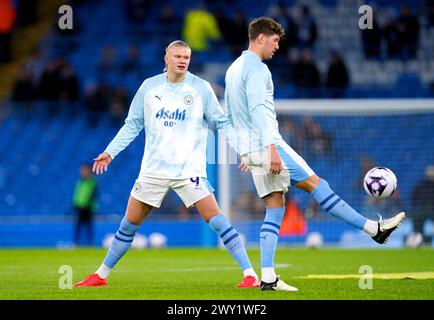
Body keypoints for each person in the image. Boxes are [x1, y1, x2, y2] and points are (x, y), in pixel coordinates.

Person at [224, 17, 406, 292]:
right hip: (268, 144)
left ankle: (269, 278)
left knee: (275, 206)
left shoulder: (233, 69)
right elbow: (258, 112)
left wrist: (244, 152)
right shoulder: (258, 70)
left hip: (251, 148)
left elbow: (231, 115)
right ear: (260, 38)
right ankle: (373, 230)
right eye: (274, 41)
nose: (277, 47)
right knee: (318, 185)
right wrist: (270, 149)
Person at [74, 40, 259, 288]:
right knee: (128, 224)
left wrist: (242, 151)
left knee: (216, 218)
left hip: (188, 170)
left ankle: (250, 274)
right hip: (153, 170)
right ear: (166, 58)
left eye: (187, 57)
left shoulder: (201, 88)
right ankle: (100, 275)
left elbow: (222, 123)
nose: (183, 60)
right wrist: (110, 152)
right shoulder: (149, 88)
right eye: (178, 56)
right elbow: (132, 125)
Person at [72, 163, 97, 246]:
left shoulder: (92, 182)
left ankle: (89, 243)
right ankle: (76, 242)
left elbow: (92, 195)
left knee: (88, 225)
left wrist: (90, 205)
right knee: (78, 225)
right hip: (79, 207)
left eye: (84, 170)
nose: (82, 172)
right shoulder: (80, 182)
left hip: (88, 207)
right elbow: (77, 194)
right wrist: (75, 203)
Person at [410, 165, 434, 245]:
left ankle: (418, 240)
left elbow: (413, 198)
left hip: (419, 210)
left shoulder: (420, 186)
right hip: (430, 210)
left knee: (418, 227)